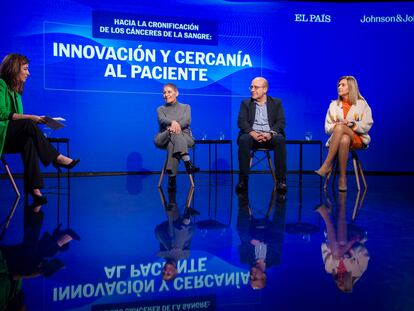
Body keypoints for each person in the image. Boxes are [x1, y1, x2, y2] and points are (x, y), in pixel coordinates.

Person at [0, 53, 80, 205]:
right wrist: (32, 118)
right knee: (29, 122)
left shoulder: (16, 92)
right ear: (14, 69)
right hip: (1, 135)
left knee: (28, 141)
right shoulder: (1, 85)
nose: (28, 73)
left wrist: (40, 122)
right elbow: (2, 113)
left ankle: (35, 189)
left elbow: (19, 121)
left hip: (9, 136)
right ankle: (57, 158)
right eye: (25, 69)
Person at [315, 76, 373, 191]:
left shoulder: (362, 104)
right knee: (344, 139)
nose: (339, 87)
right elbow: (327, 127)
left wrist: (351, 124)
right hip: (341, 138)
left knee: (342, 127)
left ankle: (327, 164)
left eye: (343, 85)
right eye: (338, 85)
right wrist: (336, 126)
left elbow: (367, 125)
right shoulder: (333, 105)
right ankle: (342, 178)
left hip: (358, 138)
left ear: (351, 87)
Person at [236, 77, 287, 193]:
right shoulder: (246, 103)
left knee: (280, 139)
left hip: (270, 136)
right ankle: (243, 180)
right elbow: (241, 122)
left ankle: (281, 181)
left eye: (256, 87)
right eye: (251, 87)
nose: (252, 90)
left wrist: (270, 133)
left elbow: (281, 122)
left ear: (265, 89)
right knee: (244, 139)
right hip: (252, 136)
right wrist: (253, 133)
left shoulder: (276, 102)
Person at [315, 191, 369, 292]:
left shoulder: (330, 269)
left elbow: (324, 248)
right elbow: (364, 254)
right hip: (353, 237)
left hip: (335, 237)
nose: (339, 280)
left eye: (337, 283)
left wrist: (338, 255)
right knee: (341, 248)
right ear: (348, 283)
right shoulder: (357, 271)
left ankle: (338, 206)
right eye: (342, 283)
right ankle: (326, 215)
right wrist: (348, 252)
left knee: (337, 252)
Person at [237, 190, 286, 289]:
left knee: (240, 229)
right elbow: (277, 242)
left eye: (250, 278)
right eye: (255, 278)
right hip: (270, 231)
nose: (251, 276)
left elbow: (243, 238)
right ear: (263, 276)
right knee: (279, 230)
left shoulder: (245, 258)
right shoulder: (275, 260)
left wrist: (251, 240)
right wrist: (263, 241)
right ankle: (281, 194)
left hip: (252, 229)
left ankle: (242, 193)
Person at [154, 83, 199, 191]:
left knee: (172, 143)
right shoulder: (160, 109)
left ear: (176, 93)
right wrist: (173, 122)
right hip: (163, 137)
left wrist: (175, 126)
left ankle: (171, 178)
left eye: (169, 92)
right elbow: (162, 120)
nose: (166, 94)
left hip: (186, 138)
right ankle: (187, 162)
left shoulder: (186, 107)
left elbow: (186, 121)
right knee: (172, 132)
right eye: (164, 92)